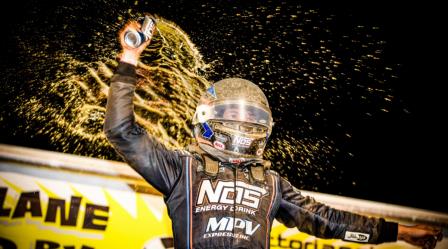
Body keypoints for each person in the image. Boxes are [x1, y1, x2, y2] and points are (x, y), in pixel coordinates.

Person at [104, 20, 443, 249]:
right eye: (233, 118)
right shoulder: (181, 168)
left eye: (248, 120)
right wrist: (130, 56)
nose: (240, 125)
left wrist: (400, 233)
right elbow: (121, 130)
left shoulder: (272, 183)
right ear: (210, 119)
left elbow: (328, 221)